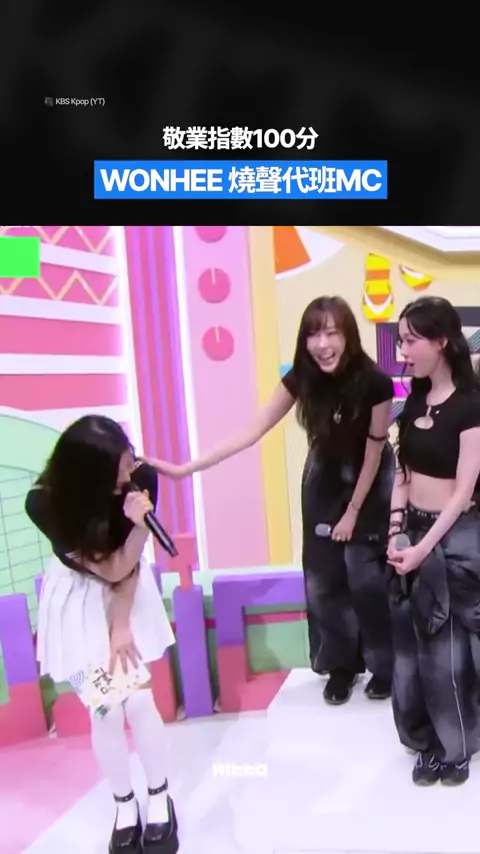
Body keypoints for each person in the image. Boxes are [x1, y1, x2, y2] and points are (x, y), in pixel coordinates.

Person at [144, 296, 395, 706]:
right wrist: (186, 468)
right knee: (323, 576)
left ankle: (385, 666)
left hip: (370, 475)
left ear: (348, 336)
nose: (323, 344)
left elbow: (374, 452)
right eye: (313, 334)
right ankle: (340, 666)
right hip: (325, 474)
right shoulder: (302, 377)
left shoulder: (376, 382)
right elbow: (253, 429)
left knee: (366, 574)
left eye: (332, 333)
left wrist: (352, 512)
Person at [25, 416, 179, 853]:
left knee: (140, 700)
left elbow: (126, 569)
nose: (129, 477)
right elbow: (106, 569)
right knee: (105, 709)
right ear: (87, 476)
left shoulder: (141, 478)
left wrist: (122, 624)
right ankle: (123, 803)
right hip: (77, 602)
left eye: (129, 462)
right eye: (118, 472)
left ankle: (159, 796)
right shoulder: (45, 503)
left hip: (129, 590)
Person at [387, 296, 480, 786]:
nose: (402, 350)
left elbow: (463, 493)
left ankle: (455, 747)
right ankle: (422, 740)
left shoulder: (469, 407)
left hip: (453, 539)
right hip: (411, 535)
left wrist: (424, 548)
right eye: (400, 340)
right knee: (408, 651)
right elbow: (402, 475)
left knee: (447, 653)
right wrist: (395, 533)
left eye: (410, 340)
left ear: (441, 341)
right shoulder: (413, 404)